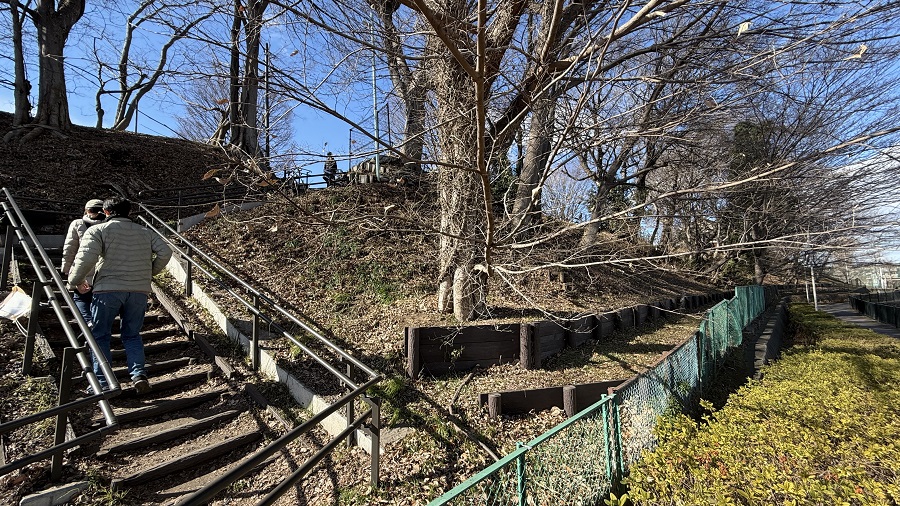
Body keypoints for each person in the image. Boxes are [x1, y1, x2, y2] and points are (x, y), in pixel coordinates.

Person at [68, 197, 172, 394]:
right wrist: (149, 272)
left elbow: (85, 259)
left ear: (106, 212)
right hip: (139, 292)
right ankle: (138, 375)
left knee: (100, 336)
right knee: (132, 335)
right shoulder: (145, 232)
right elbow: (165, 252)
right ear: (129, 212)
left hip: (108, 289)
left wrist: (74, 282)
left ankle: (103, 382)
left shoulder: (98, 230)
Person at [61, 199, 106, 327]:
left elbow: (70, 249)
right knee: (99, 300)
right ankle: (97, 325)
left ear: (86, 210)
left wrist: (66, 268)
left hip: (82, 268)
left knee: (80, 297)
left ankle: (88, 322)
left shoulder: (77, 224)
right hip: (103, 271)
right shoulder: (109, 225)